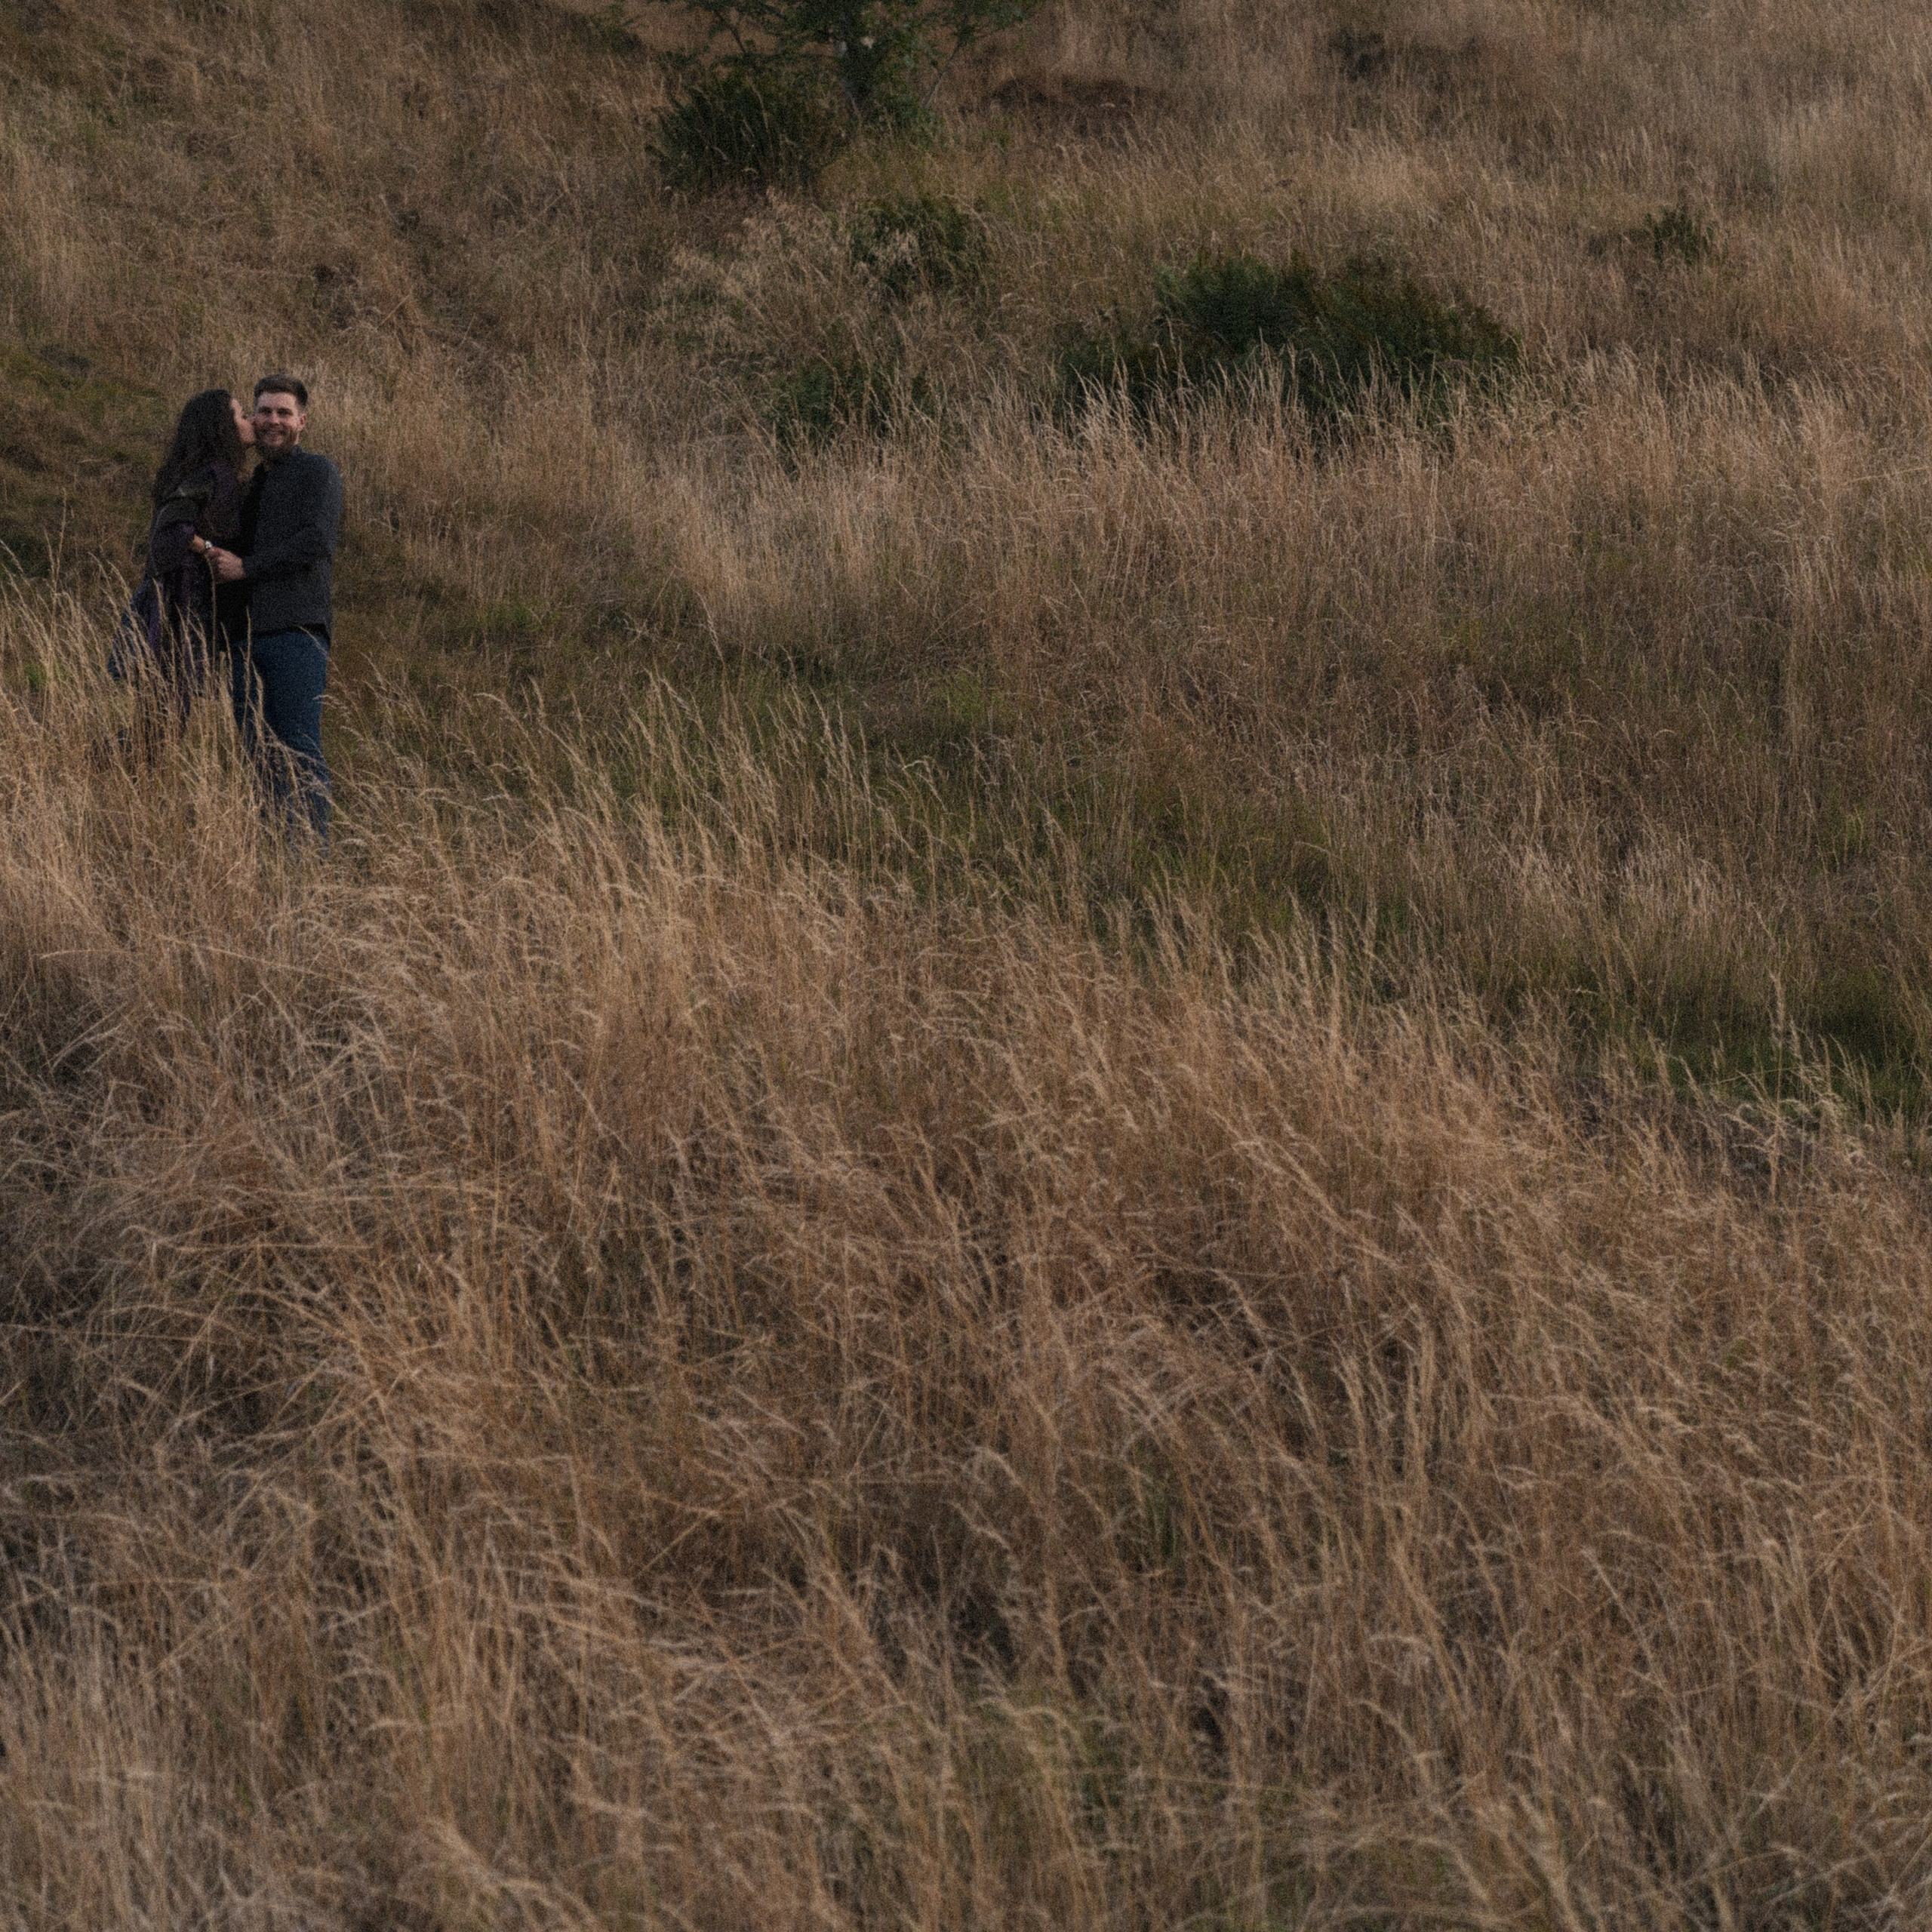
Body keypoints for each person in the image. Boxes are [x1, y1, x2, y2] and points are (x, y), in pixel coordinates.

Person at [207, 374, 343, 844]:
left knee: (299, 747)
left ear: (302, 422)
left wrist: (247, 568)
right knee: (256, 753)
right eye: (263, 411)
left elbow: (315, 542)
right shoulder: (248, 487)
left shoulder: (318, 473)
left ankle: (310, 857)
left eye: (283, 413)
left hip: (296, 633)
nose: (272, 421)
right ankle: (274, 856)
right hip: (244, 639)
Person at [122, 388, 254, 751]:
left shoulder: (213, 474)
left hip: (178, 604)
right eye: (242, 415)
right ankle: (98, 767)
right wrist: (210, 549)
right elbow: (172, 527)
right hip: (180, 606)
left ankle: (112, 773)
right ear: (222, 428)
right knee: (163, 719)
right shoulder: (216, 474)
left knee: (162, 717)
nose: (251, 421)